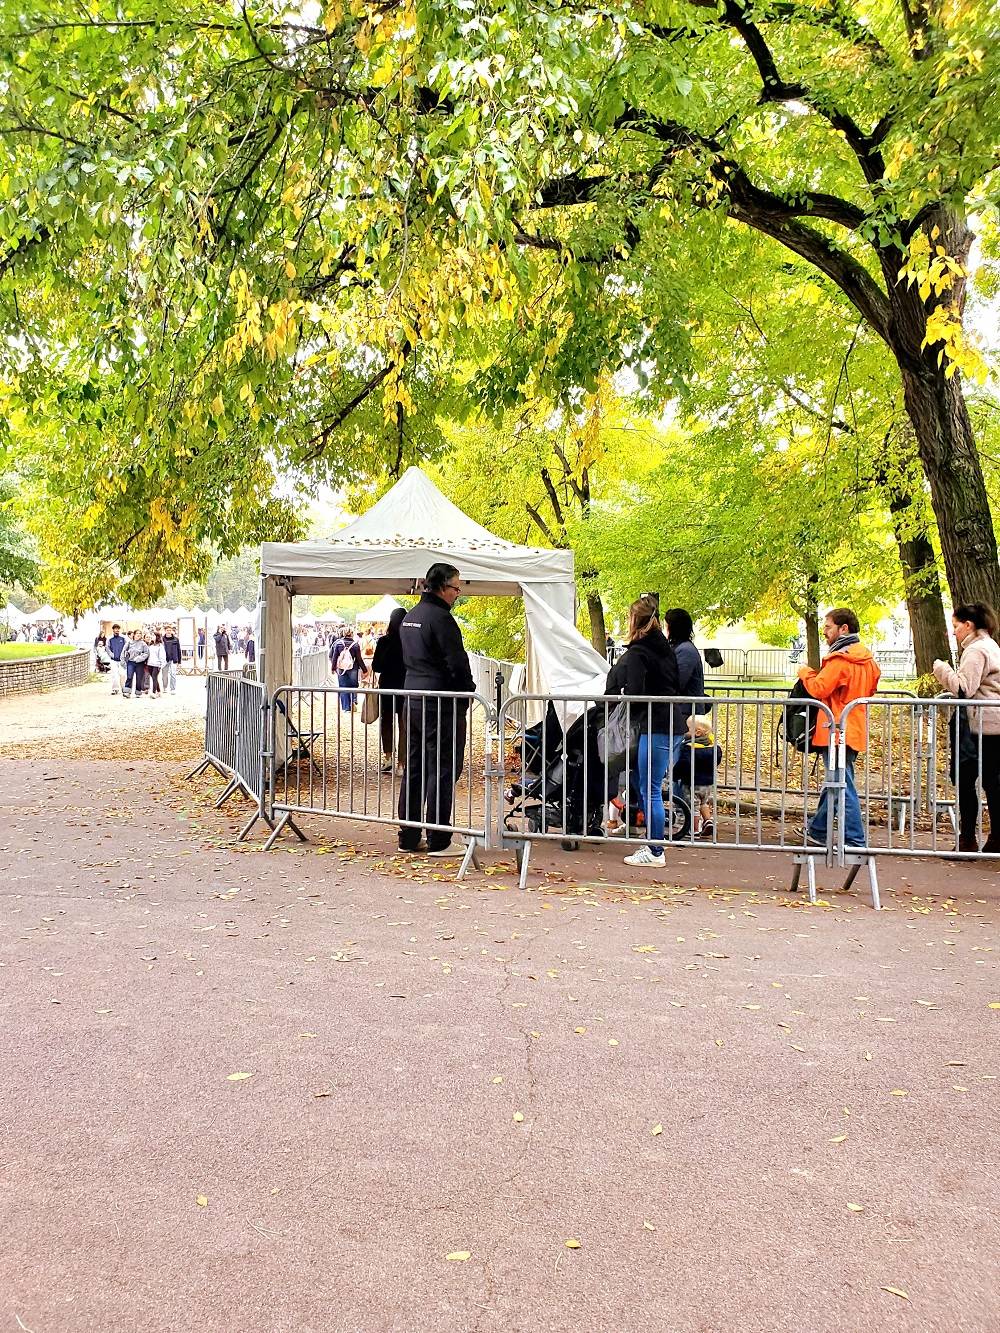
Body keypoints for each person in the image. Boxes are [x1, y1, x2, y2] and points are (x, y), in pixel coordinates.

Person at [397, 563, 475, 856]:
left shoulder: (411, 617)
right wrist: (467, 693)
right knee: (442, 767)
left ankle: (408, 834)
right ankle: (439, 838)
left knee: (415, 766)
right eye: (456, 587)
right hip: (440, 703)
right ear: (443, 586)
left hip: (413, 700)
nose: (458, 594)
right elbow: (457, 663)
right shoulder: (441, 619)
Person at [605, 595, 680, 869]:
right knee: (647, 784)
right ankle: (652, 843)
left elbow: (635, 693)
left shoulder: (638, 653)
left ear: (633, 620)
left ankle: (656, 849)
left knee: (650, 789)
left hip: (655, 725)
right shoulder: (665, 648)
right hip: (671, 723)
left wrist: (623, 693)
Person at [798, 607, 881, 850]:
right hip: (853, 728)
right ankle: (819, 830)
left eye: (827, 627)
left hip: (834, 728)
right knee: (837, 781)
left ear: (843, 629)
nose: (824, 632)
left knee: (842, 785)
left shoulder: (840, 660)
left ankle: (855, 840)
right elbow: (872, 688)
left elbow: (819, 688)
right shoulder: (868, 661)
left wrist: (805, 673)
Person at [932, 602, 1000, 852]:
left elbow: (963, 688)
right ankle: (994, 838)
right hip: (991, 723)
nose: (954, 632)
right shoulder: (990, 646)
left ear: (968, 625)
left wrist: (942, 669)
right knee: (992, 782)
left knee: (966, 779)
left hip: (978, 725)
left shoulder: (976, 650)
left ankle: (968, 839)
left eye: (956, 626)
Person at [664, 607, 707, 771]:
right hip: (683, 712)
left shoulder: (685, 651)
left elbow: (677, 682)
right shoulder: (682, 649)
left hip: (687, 714)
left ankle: (679, 795)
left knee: (679, 760)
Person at [372, 607, 407, 775]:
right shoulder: (410, 642)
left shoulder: (384, 642)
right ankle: (401, 763)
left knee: (386, 722)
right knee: (404, 725)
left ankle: (387, 759)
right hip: (406, 686)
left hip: (387, 686)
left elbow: (376, 666)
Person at [122, 629, 150, 698]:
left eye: (140, 633)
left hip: (140, 663)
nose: (138, 634)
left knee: (139, 678)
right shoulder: (129, 643)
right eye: (137, 633)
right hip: (130, 662)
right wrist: (123, 660)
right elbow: (123, 652)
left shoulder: (143, 644)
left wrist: (139, 658)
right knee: (129, 676)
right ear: (134, 634)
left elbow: (146, 653)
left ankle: (138, 691)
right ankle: (127, 691)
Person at [107, 624, 126, 695]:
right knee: (114, 675)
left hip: (122, 660)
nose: (117, 630)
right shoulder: (109, 639)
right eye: (115, 629)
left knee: (123, 674)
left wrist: (124, 656)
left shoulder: (123, 638)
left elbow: (126, 647)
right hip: (113, 660)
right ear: (113, 630)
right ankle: (115, 689)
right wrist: (112, 655)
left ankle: (123, 688)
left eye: (118, 629)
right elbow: (107, 648)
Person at [162, 626, 181, 694]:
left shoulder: (176, 639)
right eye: (167, 630)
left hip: (174, 659)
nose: (169, 631)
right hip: (165, 659)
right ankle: (165, 687)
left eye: (170, 630)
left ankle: (172, 688)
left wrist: (179, 661)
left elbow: (179, 650)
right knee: (164, 674)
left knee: (173, 674)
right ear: (165, 631)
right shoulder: (162, 639)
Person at [147, 632, 165, 698]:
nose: (151, 637)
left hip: (157, 664)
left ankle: (154, 693)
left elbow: (162, 656)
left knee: (154, 677)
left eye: (153, 635)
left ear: (157, 637)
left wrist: (161, 665)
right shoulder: (150, 645)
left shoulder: (160, 646)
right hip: (149, 664)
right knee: (154, 678)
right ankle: (159, 691)